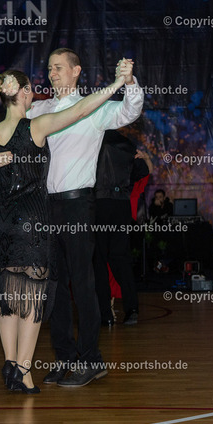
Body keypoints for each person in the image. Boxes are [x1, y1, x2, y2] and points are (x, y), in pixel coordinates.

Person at [0, 65, 127, 394]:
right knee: (33, 297)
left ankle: (9, 363)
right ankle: (24, 372)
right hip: (32, 219)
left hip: (3, 220)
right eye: (31, 89)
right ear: (23, 93)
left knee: (9, 297)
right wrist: (117, 84)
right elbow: (80, 110)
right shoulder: (36, 126)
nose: (36, 93)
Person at [27, 48, 143, 387]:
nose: (52, 73)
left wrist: (128, 82)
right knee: (55, 286)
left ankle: (91, 359)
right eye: (50, 68)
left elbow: (130, 110)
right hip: (47, 207)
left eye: (59, 67)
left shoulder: (93, 108)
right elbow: (12, 128)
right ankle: (64, 357)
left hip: (78, 205)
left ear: (76, 71)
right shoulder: (40, 109)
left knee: (83, 282)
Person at [94, 130, 152, 327]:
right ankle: (132, 308)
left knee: (99, 260)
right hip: (121, 205)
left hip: (100, 203)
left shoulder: (94, 140)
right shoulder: (127, 144)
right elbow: (142, 171)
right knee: (121, 258)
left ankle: (105, 314)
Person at [148, 189, 173, 272]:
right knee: (156, 247)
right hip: (157, 231)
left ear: (164, 197)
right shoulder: (152, 207)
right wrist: (158, 207)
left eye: (160, 197)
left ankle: (163, 265)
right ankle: (159, 266)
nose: (158, 199)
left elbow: (171, 215)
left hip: (168, 231)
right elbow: (154, 217)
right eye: (157, 197)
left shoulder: (169, 205)